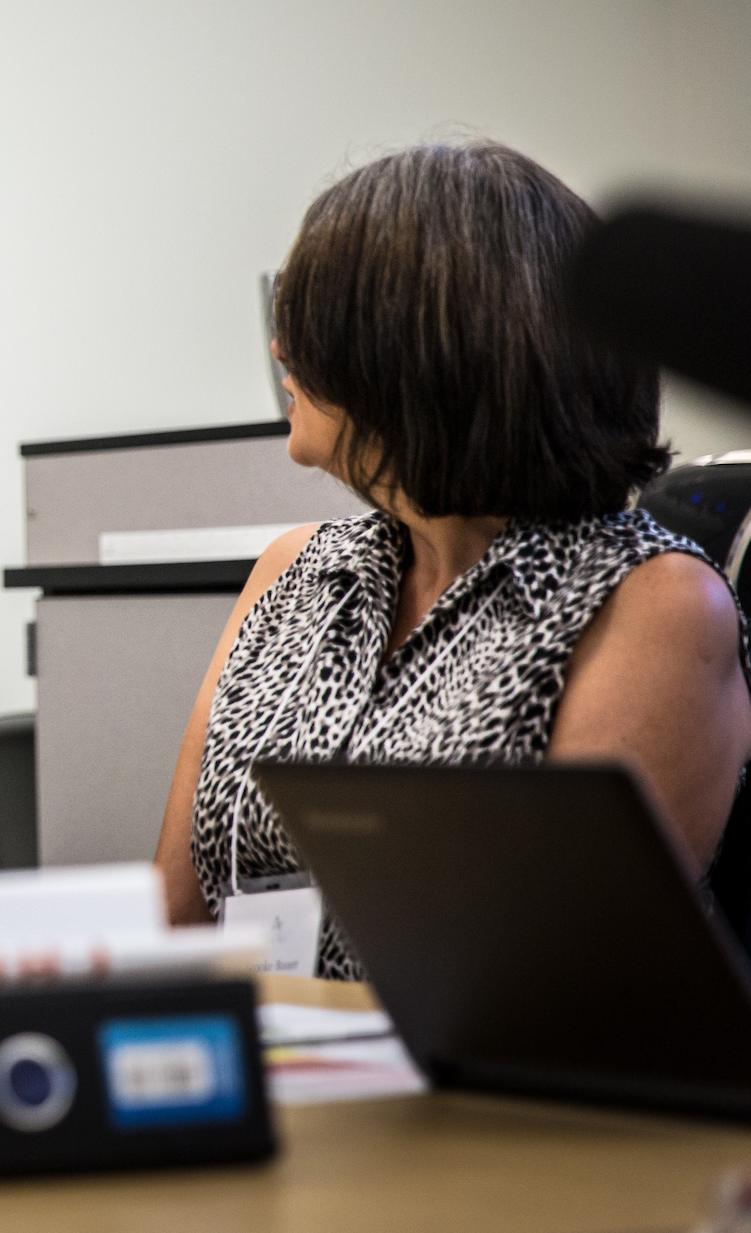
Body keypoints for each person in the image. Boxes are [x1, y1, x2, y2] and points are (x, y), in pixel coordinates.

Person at [152, 141, 751, 979]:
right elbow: (177, 920)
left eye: (313, 318)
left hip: (472, 1104)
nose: (282, 350)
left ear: (421, 350)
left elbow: (548, 987)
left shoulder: (647, 604)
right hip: (258, 1074)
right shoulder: (293, 571)